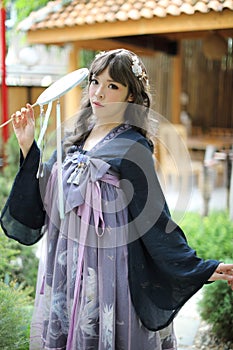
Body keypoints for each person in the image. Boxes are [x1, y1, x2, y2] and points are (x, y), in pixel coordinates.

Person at [1, 48, 233, 350]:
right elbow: (47, 196)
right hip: (68, 263)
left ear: (131, 97)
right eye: (96, 82)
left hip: (110, 267)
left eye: (113, 86)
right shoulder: (76, 139)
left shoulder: (133, 147)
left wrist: (200, 268)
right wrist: (27, 144)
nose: (99, 92)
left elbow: (154, 219)